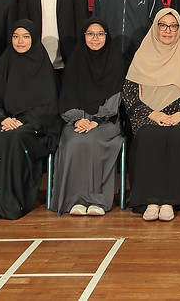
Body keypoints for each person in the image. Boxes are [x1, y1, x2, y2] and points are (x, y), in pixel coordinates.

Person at [123, 9, 180, 222]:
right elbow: (130, 94)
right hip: (149, 115)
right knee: (149, 137)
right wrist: (153, 114)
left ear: (179, 29)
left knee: (179, 137)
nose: (168, 30)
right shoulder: (142, 55)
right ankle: (150, 200)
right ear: (155, 28)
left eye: (173, 26)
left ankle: (171, 200)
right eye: (163, 25)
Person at [0, 20, 62, 221]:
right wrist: (4, 118)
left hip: (36, 128)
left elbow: (49, 106)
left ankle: (14, 202)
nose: (20, 41)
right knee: (1, 135)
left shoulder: (42, 64)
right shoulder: (5, 62)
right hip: (7, 122)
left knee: (15, 137)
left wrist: (24, 121)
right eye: (16, 36)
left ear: (33, 39)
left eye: (25, 36)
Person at [49, 18, 125, 216]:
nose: (95, 38)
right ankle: (76, 199)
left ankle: (97, 200)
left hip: (106, 121)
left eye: (100, 34)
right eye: (90, 34)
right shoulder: (75, 62)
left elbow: (116, 97)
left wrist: (96, 120)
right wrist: (77, 119)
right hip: (77, 120)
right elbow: (66, 97)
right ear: (83, 37)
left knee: (92, 141)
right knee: (74, 141)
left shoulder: (115, 61)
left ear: (106, 37)